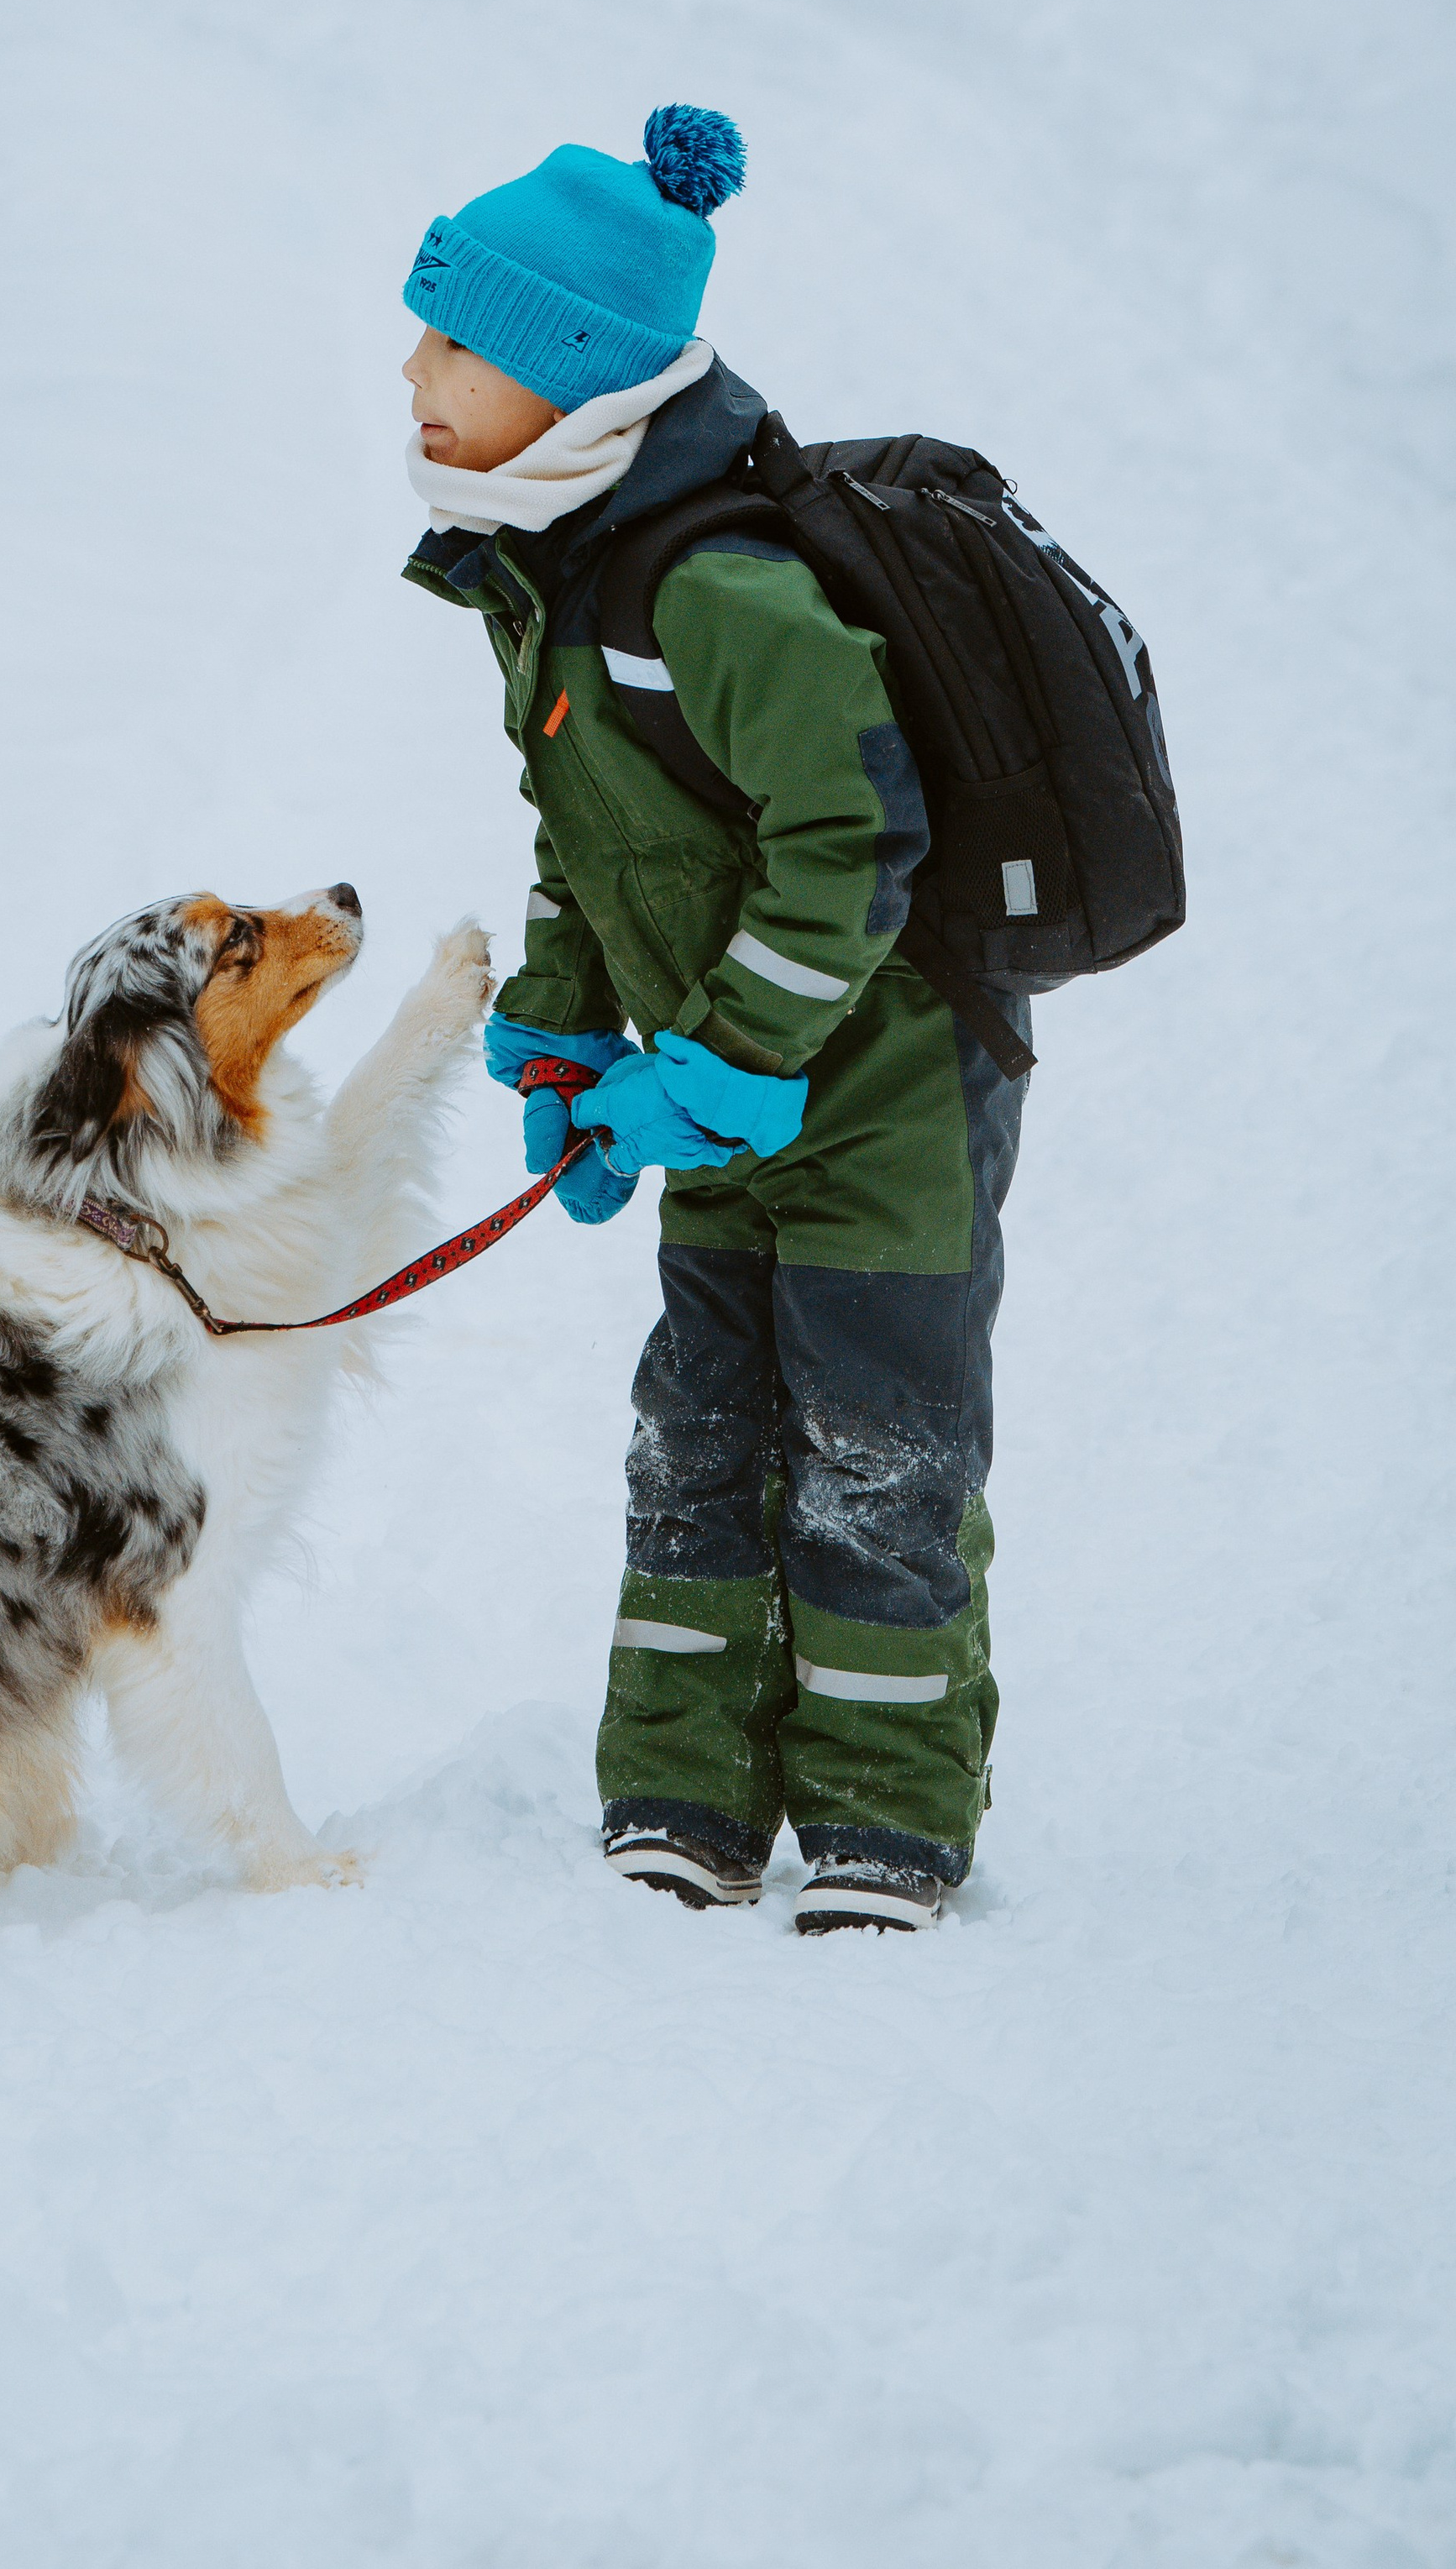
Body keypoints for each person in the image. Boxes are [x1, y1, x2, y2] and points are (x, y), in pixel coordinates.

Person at [400, 107, 1028, 1936]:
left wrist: (736, 1060)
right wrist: (561, 1027)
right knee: (697, 1427)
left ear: (574, 376)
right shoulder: (550, 564)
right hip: (709, 1090)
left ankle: (885, 1819)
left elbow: (858, 833)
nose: (414, 372)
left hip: (890, 1088)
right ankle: (682, 1789)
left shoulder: (713, 581)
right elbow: (586, 822)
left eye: (460, 344)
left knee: (873, 1448)